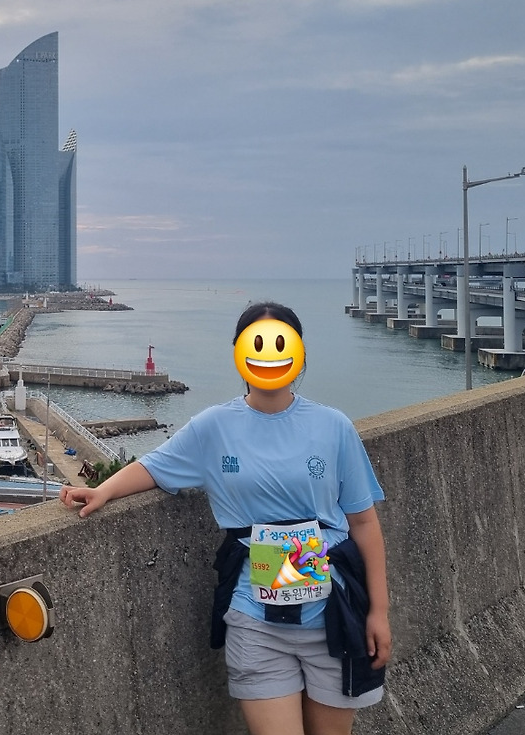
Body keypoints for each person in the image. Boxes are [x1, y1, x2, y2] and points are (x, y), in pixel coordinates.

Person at [60, 302, 391, 735]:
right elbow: (155, 466)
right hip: (255, 621)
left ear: (300, 353)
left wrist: (379, 612)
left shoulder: (335, 427)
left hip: (334, 615)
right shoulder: (213, 427)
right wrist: (103, 490)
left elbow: (364, 523)